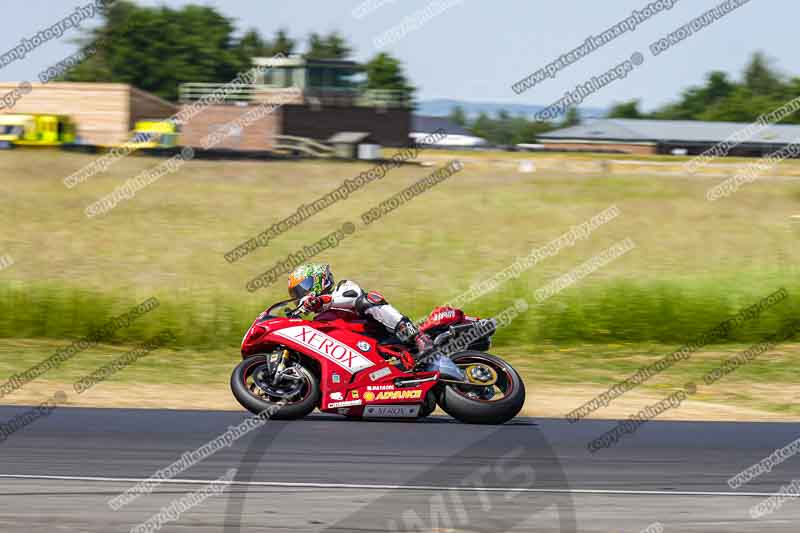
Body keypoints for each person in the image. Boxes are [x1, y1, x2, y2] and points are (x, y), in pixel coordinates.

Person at [287, 263, 433, 366]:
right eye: (296, 293)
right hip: (358, 353)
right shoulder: (319, 319)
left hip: (383, 337)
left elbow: (354, 295)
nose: (300, 295)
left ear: (318, 280)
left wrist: (320, 300)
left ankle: (419, 338)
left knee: (368, 300)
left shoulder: (342, 288)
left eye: (302, 288)